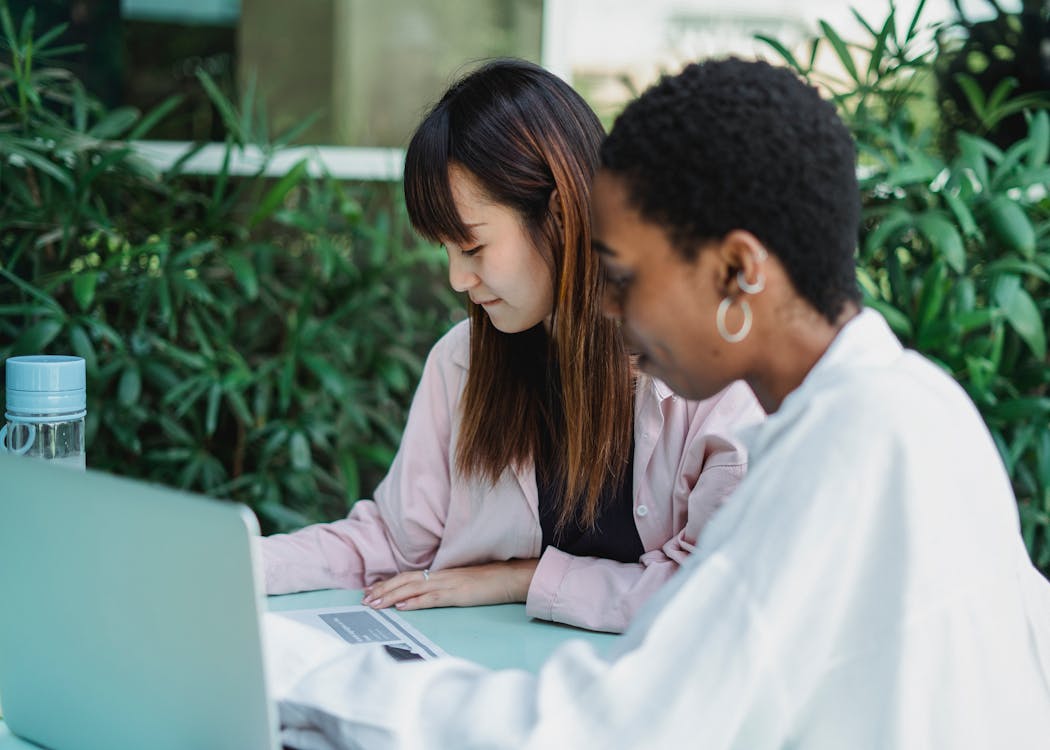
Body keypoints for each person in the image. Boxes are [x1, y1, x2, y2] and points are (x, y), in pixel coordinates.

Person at [263, 57, 1050, 749]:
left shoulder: (848, 453)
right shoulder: (914, 411)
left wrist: (307, 672)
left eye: (626, 277)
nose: (606, 307)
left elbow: (610, 730)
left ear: (738, 270)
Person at [261, 59, 763, 634]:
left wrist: (526, 578)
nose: (456, 279)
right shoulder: (463, 361)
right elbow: (395, 541)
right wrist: (243, 564)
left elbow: (714, 595)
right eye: (444, 250)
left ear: (560, 217)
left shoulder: (706, 377)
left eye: (472, 247)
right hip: (491, 681)